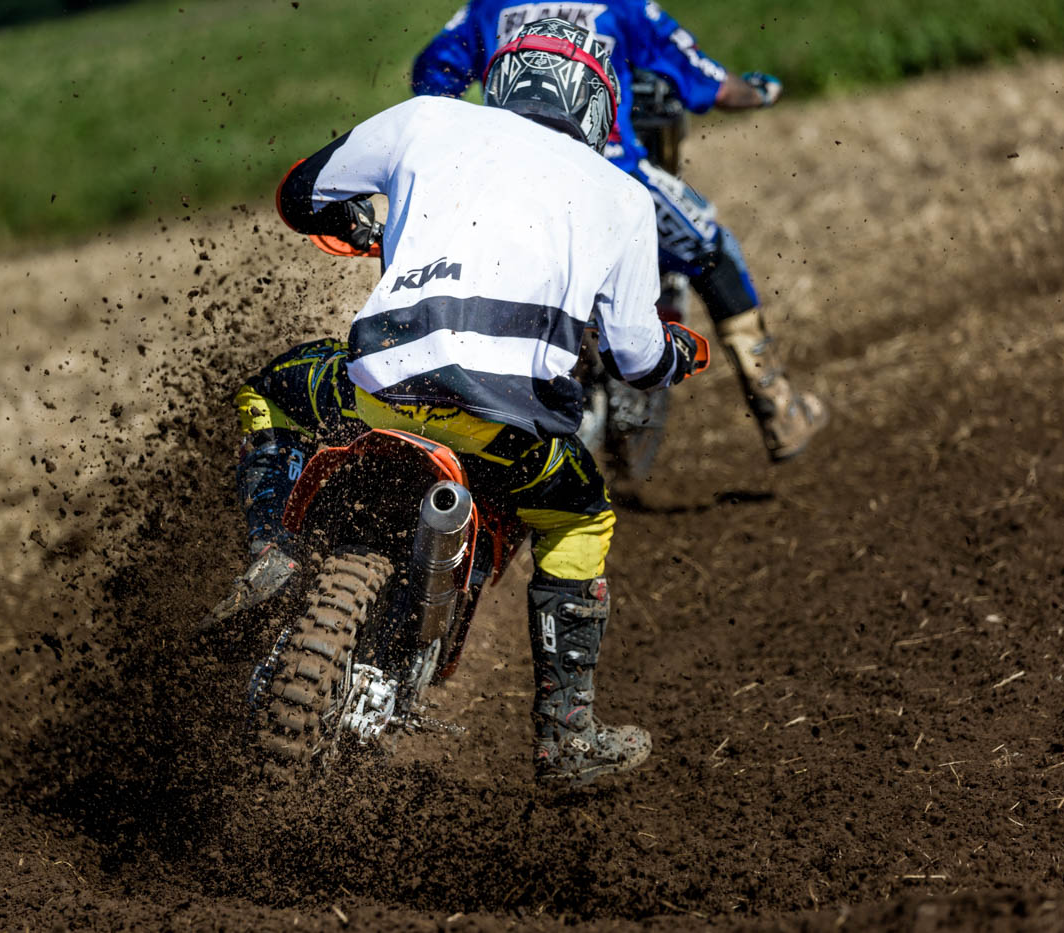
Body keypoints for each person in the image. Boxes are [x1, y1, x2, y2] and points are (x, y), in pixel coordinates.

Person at [219, 19, 709, 785]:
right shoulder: (622, 194)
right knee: (582, 516)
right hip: (508, 435)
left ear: (501, 81)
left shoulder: (426, 118)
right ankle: (567, 736)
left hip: (376, 391)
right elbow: (638, 359)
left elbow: (298, 195)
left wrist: (356, 225)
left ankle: (270, 551)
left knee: (270, 393)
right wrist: (681, 350)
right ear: (597, 107)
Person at [412, 1, 828, 462]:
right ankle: (777, 406)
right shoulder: (624, 6)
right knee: (715, 252)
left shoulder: (488, 6)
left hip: (509, 178)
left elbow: (432, 75)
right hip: (613, 174)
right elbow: (704, 78)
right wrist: (758, 91)